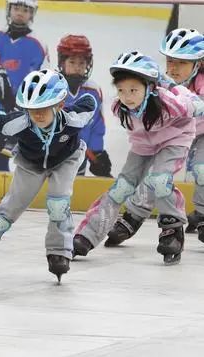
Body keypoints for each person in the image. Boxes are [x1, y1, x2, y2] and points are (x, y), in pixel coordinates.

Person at [73, 51, 203, 265]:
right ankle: (86, 234)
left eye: (134, 90)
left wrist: (192, 101)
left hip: (175, 140)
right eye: (122, 90)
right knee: (122, 187)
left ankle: (172, 229)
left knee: (160, 180)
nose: (127, 96)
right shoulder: (119, 108)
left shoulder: (169, 101)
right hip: (144, 145)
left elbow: (193, 104)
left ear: (150, 88)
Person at [0, 69, 96, 283]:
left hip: (66, 159)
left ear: (59, 104)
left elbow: (89, 101)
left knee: (59, 202)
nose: (37, 114)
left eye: (44, 108)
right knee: (7, 211)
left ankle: (60, 251)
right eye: (32, 109)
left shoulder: (73, 120)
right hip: (30, 163)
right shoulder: (18, 124)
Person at [106, 28, 204, 246]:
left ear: (198, 63)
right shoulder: (159, 82)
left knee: (201, 169)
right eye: (170, 61)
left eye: (182, 63)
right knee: (156, 176)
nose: (173, 68)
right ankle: (134, 214)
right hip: (175, 136)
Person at [0, 0, 49, 171]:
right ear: (9, 9)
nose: (20, 13)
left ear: (32, 13)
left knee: (28, 159)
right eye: (16, 8)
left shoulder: (38, 44)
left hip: (21, 110)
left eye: (25, 9)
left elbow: (42, 79)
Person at [57, 34, 111, 177]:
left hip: (77, 159)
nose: (77, 68)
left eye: (81, 63)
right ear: (62, 63)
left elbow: (96, 125)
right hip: (51, 158)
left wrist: (96, 152)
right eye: (72, 62)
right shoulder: (52, 87)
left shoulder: (93, 91)